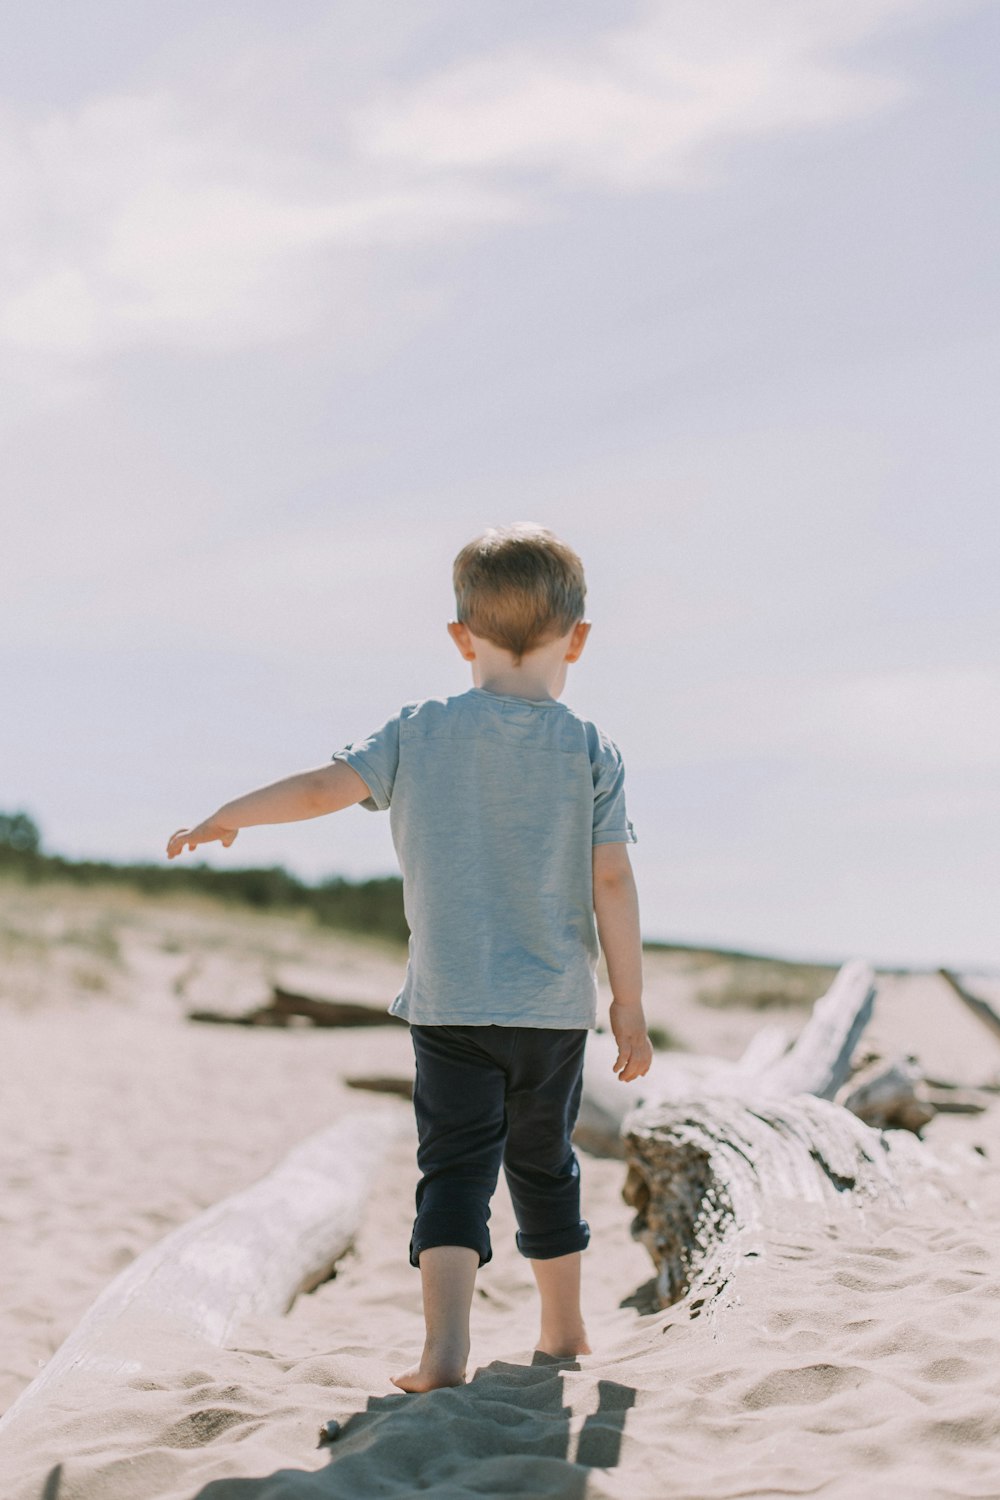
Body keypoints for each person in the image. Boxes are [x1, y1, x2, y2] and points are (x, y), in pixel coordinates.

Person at [167, 521, 652, 1392]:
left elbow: (322, 788)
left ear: (461, 637)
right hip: (552, 1011)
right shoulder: (591, 749)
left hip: (451, 1005)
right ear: (578, 639)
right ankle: (567, 1330)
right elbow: (611, 884)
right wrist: (627, 1004)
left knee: (454, 1170)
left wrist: (229, 813)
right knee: (546, 1165)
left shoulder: (419, 732)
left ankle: (443, 1353)